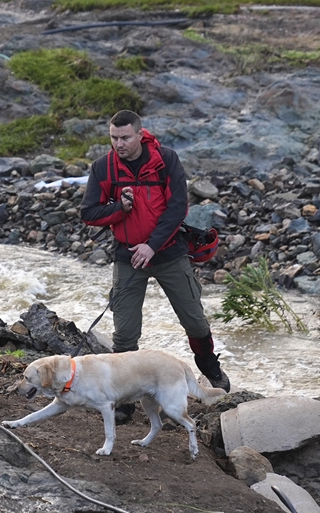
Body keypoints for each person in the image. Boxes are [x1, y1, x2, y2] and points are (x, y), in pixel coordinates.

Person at [80, 110, 230, 422]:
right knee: (124, 336)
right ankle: (123, 401)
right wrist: (118, 208)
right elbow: (89, 213)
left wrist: (152, 245)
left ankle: (212, 371)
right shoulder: (103, 167)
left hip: (169, 253)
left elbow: (177, 209)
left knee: (196, 323)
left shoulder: (166, 160)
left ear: (139, 134)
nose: (119, 144)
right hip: (127, 257)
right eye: (113, 138)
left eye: (125, 137)